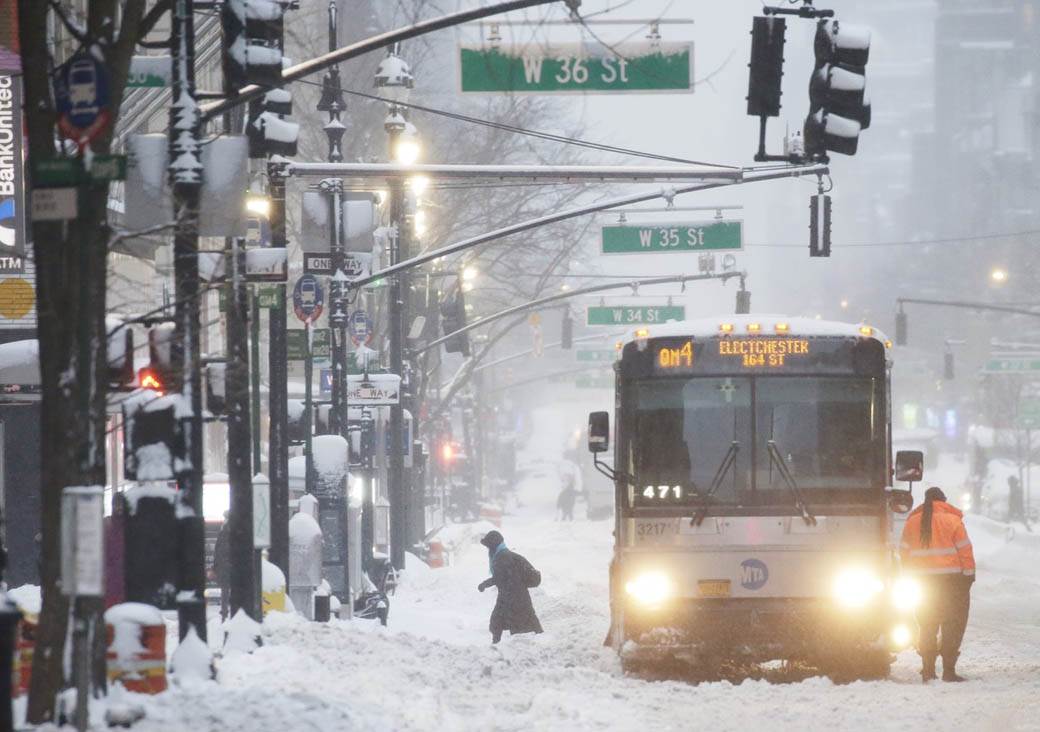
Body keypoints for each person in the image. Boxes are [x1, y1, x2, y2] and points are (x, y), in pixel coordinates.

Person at [900, 486, 975, 682]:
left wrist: (908, 575)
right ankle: (949, 671)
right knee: (952, 625)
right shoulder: (953, 521)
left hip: (923, 583)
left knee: (927, 624)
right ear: (943, 501)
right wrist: (969, 576)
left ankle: (928, 670)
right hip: (951, 584)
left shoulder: (912, 523)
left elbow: (904, 553)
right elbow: (965, 551)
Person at [477, 530, 543, 644]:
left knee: (507, 623)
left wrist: (484, 584)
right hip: (516, 596)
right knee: (503, 622)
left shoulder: (501, 558)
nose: (488, 550)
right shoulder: (508, 555)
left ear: (493, 546)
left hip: (512, 598)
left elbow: (498, 578)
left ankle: (503, 647)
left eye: (489, 547)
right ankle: (497, 645)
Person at [213, 515, 232, 621]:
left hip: (224, 566)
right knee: (232, 590)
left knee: (225, 591)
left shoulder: (223, 531)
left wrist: (215, 566)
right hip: (231, 565)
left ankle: (224, 612)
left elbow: (217, 550)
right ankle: (230, 612)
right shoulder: (236, 529)